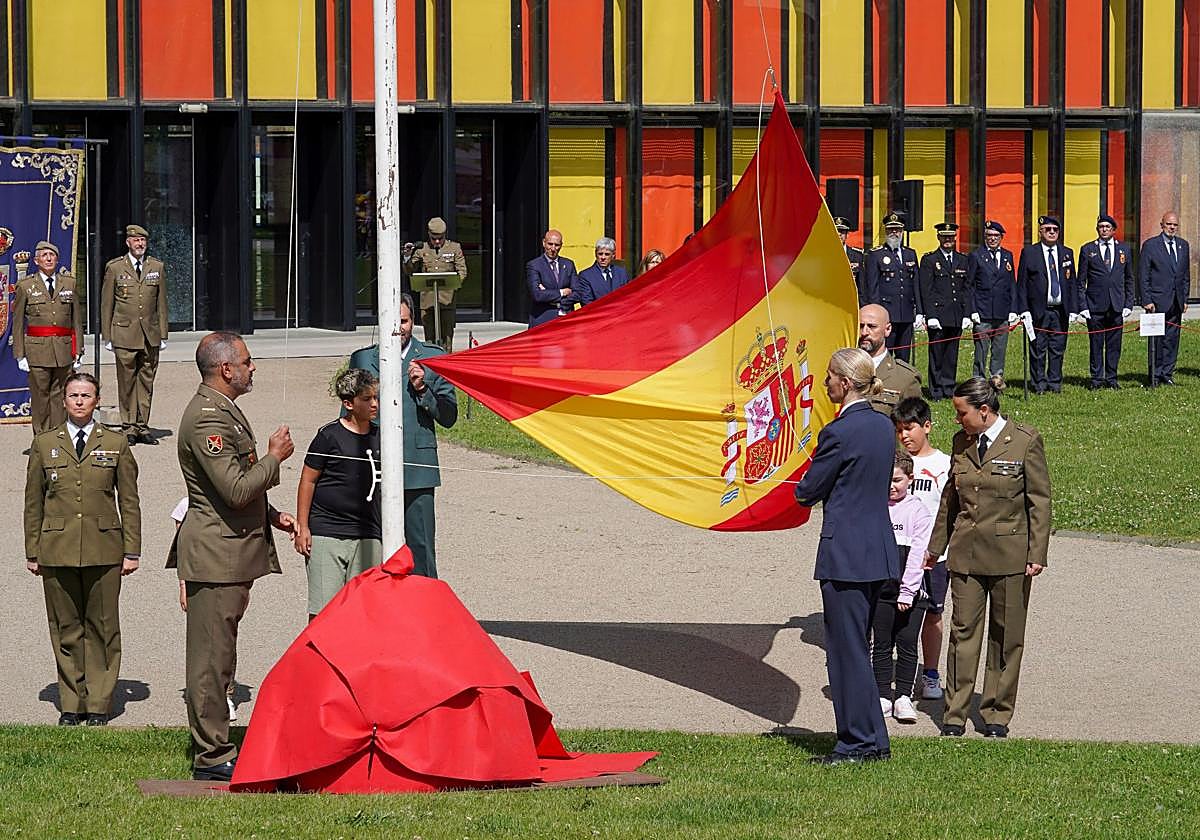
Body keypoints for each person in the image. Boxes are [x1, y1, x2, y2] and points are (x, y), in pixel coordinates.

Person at [173, 332, 296, 781]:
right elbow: (236, 488)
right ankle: (210, 756)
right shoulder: (207, 419)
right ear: (226, 369)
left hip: (230, 554)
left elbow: (237, 488)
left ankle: (216, 744)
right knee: (210, 660)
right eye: (246, 361)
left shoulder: (221, 408)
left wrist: (274, 515)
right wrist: (274, 457)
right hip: (215, 557)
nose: (253, 367)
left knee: (221, 656)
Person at [925, 377, 1050, 738]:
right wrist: (936, 547)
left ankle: (996, 714)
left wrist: (1036, 553)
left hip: (1011, 556)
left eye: (962, 412)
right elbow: (951, 500)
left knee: (1006, 636)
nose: (957, 419)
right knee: (963, 633)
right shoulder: (961, 442)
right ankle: (954, 712)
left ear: (984, 410)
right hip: (966, 553)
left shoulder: (1025, 441)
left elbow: (1039, 501)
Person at [793, 347, 900, 765]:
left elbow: (808, 491)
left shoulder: (839, 432)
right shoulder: (881, 425)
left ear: (844, 381)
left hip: (847, 555)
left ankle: (856, 742)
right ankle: (872, 739)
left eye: (829, 377)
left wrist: (801, 481)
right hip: (878, 551)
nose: (825, 383)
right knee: (861, 648)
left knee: (846, 650)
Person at [24, 372, 140, 726]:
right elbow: (33, 503)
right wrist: (33, 551)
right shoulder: (45, 444)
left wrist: (131, 550)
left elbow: (130, 501)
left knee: (103, 627)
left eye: (85, 395)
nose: (78, 401)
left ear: (96, 400)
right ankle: (72, 703)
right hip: (56, 548)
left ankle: (99, 703)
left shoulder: (116, 443)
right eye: (73, 395)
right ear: (63, 400)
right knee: (65, 627)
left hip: (104, 547)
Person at [348, 293, 458, 578]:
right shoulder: (363, 358)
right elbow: (347, 416)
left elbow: (449, 416)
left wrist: (423, 389)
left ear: (414, 321)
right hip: (373, 467)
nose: (399, 327)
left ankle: (427, 613)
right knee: (372, 550)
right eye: (392, 320)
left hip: (417, 469)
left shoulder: (433, 357)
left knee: (420, 549)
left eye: (405, 321)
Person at [294, 369, 383, 621]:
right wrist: (303, 528)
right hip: (327, 532)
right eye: (367, 399)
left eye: (375, 397)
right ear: (348, 403)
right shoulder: (328, 436)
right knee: (324, 613)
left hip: (368, 534)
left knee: (363, 610)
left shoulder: (382, 436)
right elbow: (308, 480)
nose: (374, 404)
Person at [892, 396, 951, 702]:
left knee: (932, 614)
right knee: (894, 610)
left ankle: (929, 673)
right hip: (897, 553)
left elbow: (950, 510)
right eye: (899, 428)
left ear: (927, 426)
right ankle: (889, 672)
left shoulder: (944, 464)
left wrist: (940, 548)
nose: (904, 435)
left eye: (910, 428)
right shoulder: (894, 463)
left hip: (933, 556)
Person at [872, 448, 932, 724]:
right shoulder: (874, 508)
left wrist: (908, 591)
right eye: (886, 480)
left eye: (897, 480)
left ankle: (904, 697)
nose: (891, 486)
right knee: (882, 642)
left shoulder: (918, 511)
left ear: (910, 478)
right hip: (881, 590)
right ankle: (883, 694)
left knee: (906, 642)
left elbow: (919, 555)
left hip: (912, 591)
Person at [171, 496, 239, 721]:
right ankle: (201, 697)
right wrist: (183, 585)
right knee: (202, 641)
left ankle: (226, 693)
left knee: (226, 638)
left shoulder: (234, 499)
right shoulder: (186, 505)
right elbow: (183, 550)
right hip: (199, 578)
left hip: (228, 576)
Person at [100, 224, 169, 445]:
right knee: (127, 381)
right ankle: (128, 426)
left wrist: (163, 333)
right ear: (128, 243)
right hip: (124, 333)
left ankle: (142, 426)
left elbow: (161, 303)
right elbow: (106, 304)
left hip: (149, 334)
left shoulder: (156, 267)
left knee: (146, 381)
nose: (140, 244)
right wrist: (107, 336)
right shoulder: (115, 268)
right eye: (136, 240)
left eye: (143, 241)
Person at [12, 241, 84, 434]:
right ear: (36, 261)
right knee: (40, 396)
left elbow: (77, 319)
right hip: (37, 350)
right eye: (44, 255)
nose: (49, 259)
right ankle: (42, 439)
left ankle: (59, 437)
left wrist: (79, 350)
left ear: (57, 259)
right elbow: (17, 322)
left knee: (60, 397)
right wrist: (20, 354)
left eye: (52, 255)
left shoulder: (69, 283)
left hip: (63, 349)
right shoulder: (26, 286)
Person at [1017, 215, 1079, 394]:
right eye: (1048, 230)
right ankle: (1039, 384)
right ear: (1040, 232)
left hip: (1060, 310)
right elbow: (1021, 284)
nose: (1052, 233)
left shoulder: (1067, 252)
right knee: (1038, 348)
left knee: (1058, 347)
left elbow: (1071, 282)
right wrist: (1023, 309)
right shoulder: (1030, 252)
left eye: (1055, 230)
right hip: (1038, 310)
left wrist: (1073, 308)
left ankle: (1054, 382)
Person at [1076, 214, 1134, 390]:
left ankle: (1111, 377)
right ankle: (1096, 379)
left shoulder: (1124, 249)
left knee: (1114, 345)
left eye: (1107, 227)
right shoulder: (1088, 249)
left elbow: (1129, 279)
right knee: (1096, 344)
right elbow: (1081, 281)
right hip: (1095, 306)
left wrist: (1128, 304)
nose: (1104, 230)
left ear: (1114, 230)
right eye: (1101, 227)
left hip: (1116, 306)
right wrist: (1083, 306)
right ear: (1097, 229)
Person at [917, 222, 969, 400]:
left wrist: (967, 313)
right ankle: (936, 389)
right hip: (938, 315)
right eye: (944, 237)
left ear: (955, 238)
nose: (948, 240)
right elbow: (927, 290)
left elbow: (966, 289)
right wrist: (930, 315)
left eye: (951, 237)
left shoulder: (962, 259)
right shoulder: (930, 260)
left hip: (956, 314)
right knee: (937, 354)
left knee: (952, 354)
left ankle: (948, 387)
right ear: (938, 238)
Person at [1138, 211, 1190, 385]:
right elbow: (1143, 275)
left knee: (1172, 339)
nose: (1172, 227)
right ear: (1162, 225)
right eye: (1169, 224)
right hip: (1157, 302)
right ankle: (1155, 375)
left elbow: (1185, 275)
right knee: (1157, 340)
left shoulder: (1183, 245)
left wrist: (1185, 299)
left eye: (1175, 225)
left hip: (1176, 301)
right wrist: (1146, 299)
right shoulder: (1150, 246)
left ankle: (1167, 374)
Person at [966, 220, 1018, 391]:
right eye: (989, 235)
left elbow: (1011, 284)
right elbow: (970, 285)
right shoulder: (976, 256)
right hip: (983, 311)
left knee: (999, 350)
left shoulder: (1007, 255)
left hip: (1002, 312)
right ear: (985, 237)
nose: (993, 239)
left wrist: (1013, 310)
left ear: (1001, 238)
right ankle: (979, 384)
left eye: (996, 236)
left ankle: (996, 381)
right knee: (981, 351)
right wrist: (972, 310)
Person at [403, 217, 466, 352]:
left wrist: (454, 283)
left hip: (447, 301)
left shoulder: (454, 248)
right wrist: (407, 256)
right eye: (433, 238)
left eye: (440, 238)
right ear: (429, 235)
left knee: (446, 338)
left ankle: (445, 365)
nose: (437, 242)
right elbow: (410, 270)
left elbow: (462, 271)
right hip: (428, 301)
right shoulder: (422, 249)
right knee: (429, 339)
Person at [863, 212, 919, 362]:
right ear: (885, 231)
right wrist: (877, 313)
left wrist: (919, 312)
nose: (894, 233)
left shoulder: (910, 254)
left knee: (903, 357)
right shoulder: (876, 254)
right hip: (887, 314)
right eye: (890, 229)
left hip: (906, 313)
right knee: (884, 354)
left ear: (902, 231)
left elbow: (915, 284)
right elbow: (872, 287)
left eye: (897, 229)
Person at [857, 303, 922, 416]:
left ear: (887, 329)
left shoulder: (905, 378)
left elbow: (913, 427)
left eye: (872, 326)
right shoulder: (842, 370)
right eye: (860, 326)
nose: (864, 332)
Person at [526, 229, 578, 326]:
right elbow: (537, 295)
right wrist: (562, 292)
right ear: (544, 243)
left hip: (566, 318)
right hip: (543, 319)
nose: (553, 248)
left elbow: (577, 293)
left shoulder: (569, 264)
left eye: (557, 245)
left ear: (561, 245)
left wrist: (550, 295)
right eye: (550, 244)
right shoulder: (534, 265)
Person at [577, 237, 630, 305]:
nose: (603, 257)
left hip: (620, 313)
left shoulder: (621, 273)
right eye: (600, 254)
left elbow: (627, 296)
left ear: (613, 255)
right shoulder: (586, 275)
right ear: (595, 254)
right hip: (599, 314)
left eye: (607, 254)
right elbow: (587, 303)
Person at [834, 217, 867, 306]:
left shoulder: (857, 256)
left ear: (847, 235)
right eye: (836, 231)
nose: (839, 234)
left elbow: (861, 286)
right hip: (831, 303)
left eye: (842, 232)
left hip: (851, 303)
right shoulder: (824, 255)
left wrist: (862, 307)